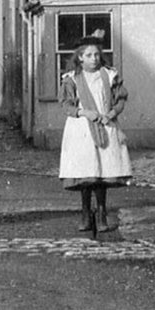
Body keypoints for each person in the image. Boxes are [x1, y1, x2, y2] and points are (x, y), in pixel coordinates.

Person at [58, 35, 131, 233]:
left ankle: (101, 212)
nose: (94, 58)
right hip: (81, 128)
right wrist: (83, 112)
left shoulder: (109, 75)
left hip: (106, 125)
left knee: (103, 172)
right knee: (86, 172)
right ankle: (85, 212)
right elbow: (66, 104)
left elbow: (120, 99)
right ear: (80, 57)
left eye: (97, 54)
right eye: (89, 55)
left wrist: (112, 113)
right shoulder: (72, 78)